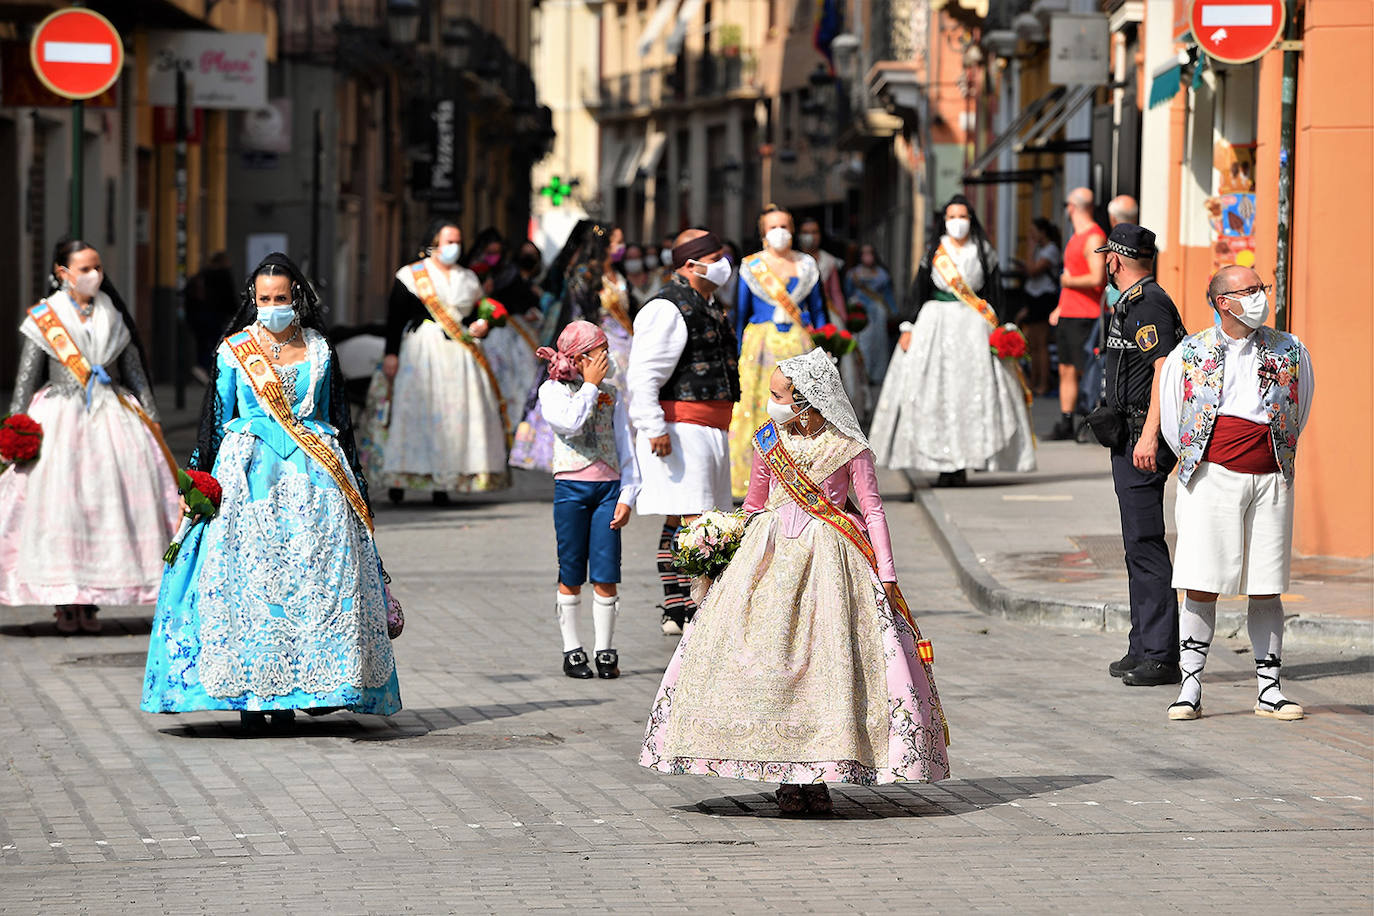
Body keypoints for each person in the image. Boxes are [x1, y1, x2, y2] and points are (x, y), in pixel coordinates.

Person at [639, 348, 950, 815]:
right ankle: (783, 774)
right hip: (767, 560)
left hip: (833, 560)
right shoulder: (768, 440)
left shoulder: (850, 447)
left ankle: (820, 772)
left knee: (828, 666)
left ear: (807, 399)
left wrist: (886, 573)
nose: (772, 402)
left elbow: (872, 510)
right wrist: (722, 547)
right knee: (764, 662)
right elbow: (754, 503)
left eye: (779, 394)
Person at [142, 252, 401, 728]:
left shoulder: (321, 349)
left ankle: (295, 691)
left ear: (296, 297)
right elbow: (213, 423)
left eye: (281, 297)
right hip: (247, 480)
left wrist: (358, 486)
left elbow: (340, 421)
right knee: (247, 585)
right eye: (264, 298)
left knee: (311, 579)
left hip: (316, 481)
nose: (273, 305)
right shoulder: (234, 349)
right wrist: (198, 478)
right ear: (252, 300)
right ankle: (250, 697)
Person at [0, 238, 179, 634]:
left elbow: (134, 372)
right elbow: (26, 379)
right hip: (58, 420)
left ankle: (93, 600)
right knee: (62, 507)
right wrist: (15, 428)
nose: (94, 275)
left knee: (104, 505)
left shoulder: (114, 316)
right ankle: (65, 600)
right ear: (62, 273)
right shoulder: (45, 318)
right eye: (84, 268)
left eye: (97, 267)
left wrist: (152, 422)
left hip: (112, 417)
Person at [1159, 265, 1313, 721]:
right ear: (1222, 301)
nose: (1260, 296)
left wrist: (1276, 452)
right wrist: (1201, 460)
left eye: (1260, 288)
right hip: (1212, 476)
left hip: (1271, 477)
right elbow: (1174, 420)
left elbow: (1299, 409)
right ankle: (1190, 686)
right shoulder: (1190, 352)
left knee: (1266, 585)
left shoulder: (1291, 349)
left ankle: (1269, 688)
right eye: (1249, 290)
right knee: (1203, 582)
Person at [869, 194, 1035, 487]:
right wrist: (908, 326)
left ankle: (967, 461)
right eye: (952, 217)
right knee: (935, 391)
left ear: (971, 219)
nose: (957, 222)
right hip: (935, 326)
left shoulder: (984, 251)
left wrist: (1005, 329)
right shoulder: (934, 252)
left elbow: (996, 292)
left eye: (963, 216)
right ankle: (941, 464)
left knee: (972, 392)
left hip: (974, 328)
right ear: (944, 221)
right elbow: (918, 293)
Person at [626, 229, 739, 635]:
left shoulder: (707, 304)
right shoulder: (666, 308)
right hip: (679, 427)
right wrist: (653, 426)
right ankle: (700, 608)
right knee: (698, 523)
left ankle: (678, 607)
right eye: (717, 256)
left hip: (709, 428)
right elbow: (643, 376)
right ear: (691, 264)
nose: (725, 264)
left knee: (687, 519)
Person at [1092, 224, 1186, 688]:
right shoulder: (1132, 302)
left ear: (1116, 260)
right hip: (1127, 434)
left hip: (1139, 437)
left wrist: (1148, 437)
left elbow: (1164, 370)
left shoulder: (1147, 304)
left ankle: (1162, 655)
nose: (1104, 264)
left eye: (1107, 257)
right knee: (1135, 544)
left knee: (1146, 544)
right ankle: (1143, 643)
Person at [370, 219, 510, 504]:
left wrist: (483, 324)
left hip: (459, 356)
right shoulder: (411, 275)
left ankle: (444, 481)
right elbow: (395, 318)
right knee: (415, 413)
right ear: (433, 242)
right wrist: (391, 353)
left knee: (452, 417)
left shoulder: (468, 278)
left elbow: (473, 315)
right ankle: (401, 477)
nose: (454, 247)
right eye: (449, 241)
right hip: (422, 352)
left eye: (458, 241)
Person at [534, 321, 641, 680]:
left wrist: (628, 493)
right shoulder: (553, 392)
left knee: (607, 572)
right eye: (600, 353)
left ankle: (605, 650)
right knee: (571, 570)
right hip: (571, 491)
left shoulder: (612, 394)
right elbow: (571, 423)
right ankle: (572, 650)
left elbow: (626, 446)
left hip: (608, 490)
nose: (607, 358)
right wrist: (591, 387)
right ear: (579, 358)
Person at [511, 222, 634, 473]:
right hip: (598, 342)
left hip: (626, 341)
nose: (621, 247)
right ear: (603, 244)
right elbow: (580, 315)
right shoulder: (585, 274)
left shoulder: (618, 275)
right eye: (616, 242)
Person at [727, 205, 826, 498]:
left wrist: (826, 349)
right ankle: (754, 477)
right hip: (760, 347)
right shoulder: (751, 266)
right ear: (763, 233)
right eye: (772, 227)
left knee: (799, 406)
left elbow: (819, 311)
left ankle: (803, 472)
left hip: (799, 345)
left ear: (792, 230)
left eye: (784, 226)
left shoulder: (807, 265)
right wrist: (733, 355)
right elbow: (740, 313)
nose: (779, 232)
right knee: (759, 405)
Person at [465, 228, 540, 443]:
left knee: (511, 382)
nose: (493, 256)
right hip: (479, 335)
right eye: (489, 251)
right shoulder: (470, 273)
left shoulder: (508, 273)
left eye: (497, 252)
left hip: (506, 337)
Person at [1049, 188, 1107, 440]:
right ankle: (1066, 420)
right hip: (1069, 312)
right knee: (1065, 368)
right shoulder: (1076, 236)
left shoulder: (1094, 237)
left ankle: (1088, 420)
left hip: (1086, 314)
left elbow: (1097, 278)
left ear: (1072, 207)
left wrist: (1068, 282)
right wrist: (1060, 306)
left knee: (1084, 368)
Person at [799, 217, 867, 419]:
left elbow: (836, 293)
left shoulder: (828, 261)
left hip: (826, 315)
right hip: (799, 317)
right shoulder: (793, 260)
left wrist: (844, 322)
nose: (810, 236)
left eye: (814, 231)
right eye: (806, 231)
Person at [1016, 218, 1061, 395]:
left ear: (1043, 232)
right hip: (1034, 296)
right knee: (1033, 343)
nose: (1031, 236)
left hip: (1043, 297)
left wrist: (1029, 249)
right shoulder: (1042, 249)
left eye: (1034, 232)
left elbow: (1033, 270)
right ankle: (1034, 381)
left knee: (1041, 343)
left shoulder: (1050, 250)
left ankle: (1043, 383)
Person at [844, 243, 897, 385]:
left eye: (870, 253)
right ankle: (862, 375)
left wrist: (894, 312)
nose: (868, 256)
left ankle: (877, 375)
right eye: (864, 253)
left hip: (878, 313)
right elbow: (847, 293)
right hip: (860, 313)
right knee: (862, 344)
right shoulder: (853, 274)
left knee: (879, 343)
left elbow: (888, 295)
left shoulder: (882, 275)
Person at [186, 251, 239, 380]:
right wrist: (237, 314)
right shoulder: (223, 275)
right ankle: (210, 370)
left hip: (198, 316)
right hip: (215, 315)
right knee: (217, 343)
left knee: (203, 342)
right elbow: (228, 296)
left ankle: (202, 367)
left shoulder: (201, 275)